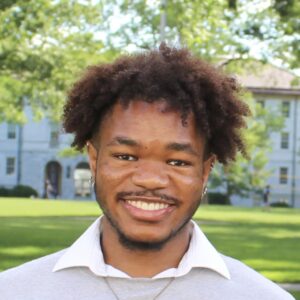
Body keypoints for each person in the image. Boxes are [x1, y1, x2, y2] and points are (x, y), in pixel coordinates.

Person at [0, 44, 294, 299]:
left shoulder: (261, 296)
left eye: (177, 162)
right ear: (94, 159)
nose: (150, 180)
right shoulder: (14, 291)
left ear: (205, 172)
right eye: (126, 156)